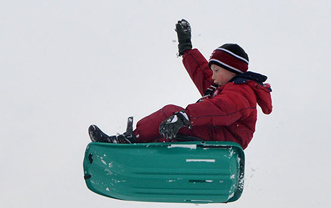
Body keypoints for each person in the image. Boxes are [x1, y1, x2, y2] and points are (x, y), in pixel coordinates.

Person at [89, 19, 273, 148]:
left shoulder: (241, 92)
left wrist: (185, 116)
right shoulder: (224, 87)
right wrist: (186, 49)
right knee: (167, 131)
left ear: (233, 70)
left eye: (217, 70)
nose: (213, 76)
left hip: (225, 138)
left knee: (170, 113)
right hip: (216, 134)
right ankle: (144, 155)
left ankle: (128, 140)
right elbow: (203, 74)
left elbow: (220, 109)